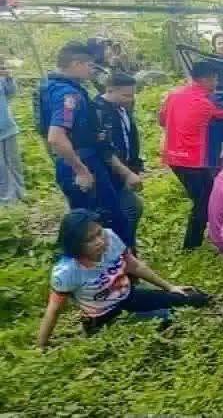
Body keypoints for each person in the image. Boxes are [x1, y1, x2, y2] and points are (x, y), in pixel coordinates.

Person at [37, 209, 209, 349]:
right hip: (104, 316)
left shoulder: (110, 237)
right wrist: (41, 345)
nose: (99, 241)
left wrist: (170, 287)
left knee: (195, 298)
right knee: (167, 317)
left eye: (99, 233)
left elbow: (134, 265)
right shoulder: (66, 271)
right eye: (90, 239)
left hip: (128, 296)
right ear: (75, 244)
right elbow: (54, 309)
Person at [37, 42, 139, 247]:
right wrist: (81, 170)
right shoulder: (68, 94)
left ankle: (117, 263)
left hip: (74, 160)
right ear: (76, 64)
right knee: (103, 223)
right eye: (90, 65)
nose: (93, 70)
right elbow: (56, 137)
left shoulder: (49, 87)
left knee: (94, 222)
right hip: (84, 161)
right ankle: (119, 265)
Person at [159, 60, 223, 249]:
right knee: (204, 201)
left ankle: (209, 234)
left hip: (173, 156)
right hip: (191, 160)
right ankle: (191, 245)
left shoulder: (173, 95)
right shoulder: (205, 103)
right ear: (206, 79)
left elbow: (162, 120)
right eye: (215, 79)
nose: (217, 83)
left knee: (205, 195)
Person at [94, 72, 145, 239]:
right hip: (106, 173)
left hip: (122, 170)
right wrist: (126, 173)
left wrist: (134, 167)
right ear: (110, 90)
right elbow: (104, 150)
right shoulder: (98, 112)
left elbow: (129, 137)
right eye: (126, 95)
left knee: (131, 209)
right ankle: (122, 248)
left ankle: (125, 247)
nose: (130, 99)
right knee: (129, 210)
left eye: (132, 94)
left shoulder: (122, 107)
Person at [0, 60, 25, 204]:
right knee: (1, 166)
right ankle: (7, 199)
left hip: (8, 126)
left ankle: (20, 192)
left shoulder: (1, 79)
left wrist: (9, 77)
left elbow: (11, 93)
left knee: (14, 162)